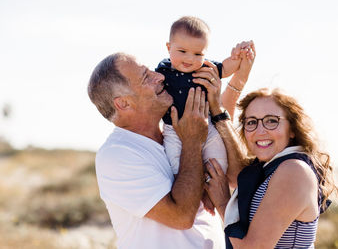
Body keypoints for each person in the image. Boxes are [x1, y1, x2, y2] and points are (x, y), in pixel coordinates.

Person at [87, 51, 253, 248]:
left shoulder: (175, 132)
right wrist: (192, 141)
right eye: (146, 77)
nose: (160, 76)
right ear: (123, 103)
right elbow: (181, 217)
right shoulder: (117, 155)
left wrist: (220, 103)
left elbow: (237, 176)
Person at [203, 86, 338, 248]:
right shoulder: (270, 168)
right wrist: (218, 113)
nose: (260, 131)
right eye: (252, 122)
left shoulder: (294, 171)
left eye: (271, 121)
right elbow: (237, 175)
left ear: (292, 129)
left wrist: (222, 203)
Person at [156, 16, 254, 178]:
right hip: (173, 129)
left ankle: (210, 189)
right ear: (169, 47)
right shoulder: (163, 71)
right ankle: (188, 189)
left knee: (218, 162)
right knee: (175, 167)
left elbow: (227, 67)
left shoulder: (206, 68)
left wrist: (238, 56)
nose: (189, 59)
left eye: (197, 53)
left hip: (207, 124)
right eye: (182, 52)